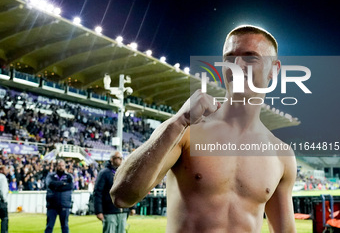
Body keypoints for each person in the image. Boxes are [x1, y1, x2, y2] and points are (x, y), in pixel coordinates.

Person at [110, 25, 297, 232]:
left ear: (274, 69)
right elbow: (122, 196)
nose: (238, 65)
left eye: (251, 58)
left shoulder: (281, 155)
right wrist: (178, 122)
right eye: (230, 58)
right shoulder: (187, 129)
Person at [94, 151, 135, 233]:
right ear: (111, 159)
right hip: (109, 211)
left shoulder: (124, 172)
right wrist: (98, 211)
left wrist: (132, 207)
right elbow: (98, 193)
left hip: (123, 211)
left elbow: (128, 191)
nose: (120, 160)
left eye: (121, 158)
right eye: (118, 158)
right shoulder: (104, 173)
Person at [45, 159, 73, 233]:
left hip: (64, 205)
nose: (61, 167)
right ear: (56, 166)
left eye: (62, 166)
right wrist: (63, 184)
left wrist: (57, 185)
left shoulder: (69, 176)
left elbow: (70, 186)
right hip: (52, 205)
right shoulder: (50, 175)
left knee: (65, 226)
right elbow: (50, 184)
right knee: (49, 226)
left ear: (65, 166)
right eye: (59, 166)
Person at [0, 165, 8, 233]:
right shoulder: (2, 177)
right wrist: (4, 200)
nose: (7, 171)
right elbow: (3, 190)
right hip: (1, 202)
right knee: (4, 219)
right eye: (5, 169)